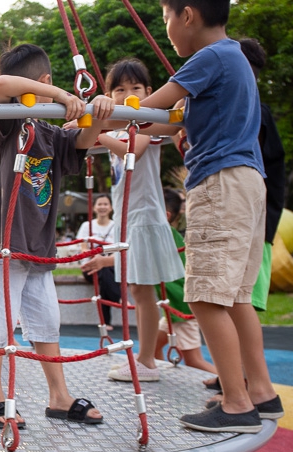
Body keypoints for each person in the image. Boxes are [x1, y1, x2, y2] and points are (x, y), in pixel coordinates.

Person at [139, 0, 282, 432]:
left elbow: (149, 111)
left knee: (204, 295)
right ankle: (261, 391)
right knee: (236, 297)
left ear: (187, 14)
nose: (165, 28)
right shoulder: (233, 59)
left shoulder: (210, 56)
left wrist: (109, 108)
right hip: (247, 182)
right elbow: (164, 123)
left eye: (165, 17)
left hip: (220, 183)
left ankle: (236, 404)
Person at [0, 43, 114, 429]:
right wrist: (61, 95)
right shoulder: (12, 120)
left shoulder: (52, 134)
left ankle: (58, 396)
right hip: (2, 240)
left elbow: (84, 141)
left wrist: (97, 111)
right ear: (46, 86)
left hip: (38, 246)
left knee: (47, 320)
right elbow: (2, 84)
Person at [96, 58, 185, 383]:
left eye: (136, 88)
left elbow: (134, 150)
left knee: (143, 292)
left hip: (144, 218)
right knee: (138, 290)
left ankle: (146, 359)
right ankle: (143, 356)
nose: (128, 94)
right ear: (110, 94)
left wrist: (97, 136)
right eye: (120, 90)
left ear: (149, 92)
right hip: (129, 219)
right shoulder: (118, 126)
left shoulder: (143, 123)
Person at [239, 38, 287, 314]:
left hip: (258, 217)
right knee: (239, 299)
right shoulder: (249, 107)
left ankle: (248, 360)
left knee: (244, 299)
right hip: (256, 214)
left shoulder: (253, 110)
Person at [154, 187, 218, 386]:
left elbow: (133, 255)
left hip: (182, 307)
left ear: (165, 215)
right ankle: (157, 375)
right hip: (171, 306)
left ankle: (235, 382)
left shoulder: (164, 237)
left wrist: (104, 262)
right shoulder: (167, 235)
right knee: (153, 347)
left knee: (194, 360)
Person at [75, 194, 121, 330]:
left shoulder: (116, 226)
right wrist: (93, 259)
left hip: (110, 266)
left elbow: (118, 250)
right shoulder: (86, 226)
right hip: (90, 266)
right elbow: (83, 247)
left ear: (111, 207)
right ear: (94, 207)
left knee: (105, 270)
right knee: (102, 270)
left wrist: (104, 260)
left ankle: (105, 322)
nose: (102, 207)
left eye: (105, 204)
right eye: (99, 204)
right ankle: (117, 297)